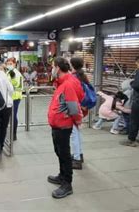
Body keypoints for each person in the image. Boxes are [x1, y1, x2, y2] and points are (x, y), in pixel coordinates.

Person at [47, 57, 83, 199]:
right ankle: (62, 176)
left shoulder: (67, 84)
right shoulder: (62, 82)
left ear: (58, 68)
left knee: (64, 153)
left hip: (63, 124)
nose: (51, 69)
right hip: (57, 123)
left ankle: (67, 184)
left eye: (52, 67)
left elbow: (73, 106)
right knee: (59, 151)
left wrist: (78, 121)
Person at [69, 57, 88, 170]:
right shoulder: (83, 75)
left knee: (74, 133)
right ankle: (79, 154)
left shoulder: (74, 77)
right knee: (77, 132)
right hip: (82, 106)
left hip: (76, 107)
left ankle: (76, 159)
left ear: (72, 65)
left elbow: (73, 95)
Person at [6, 58, 23, 141]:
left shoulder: (16, 73)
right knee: (10, 115)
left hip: (15, 97)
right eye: (8, 63)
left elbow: (17, 86)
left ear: (14, 64)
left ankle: (14, 134)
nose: (9, 65)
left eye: (10, 63)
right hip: (9, 97)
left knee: (13, 115)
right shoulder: (8, 72)